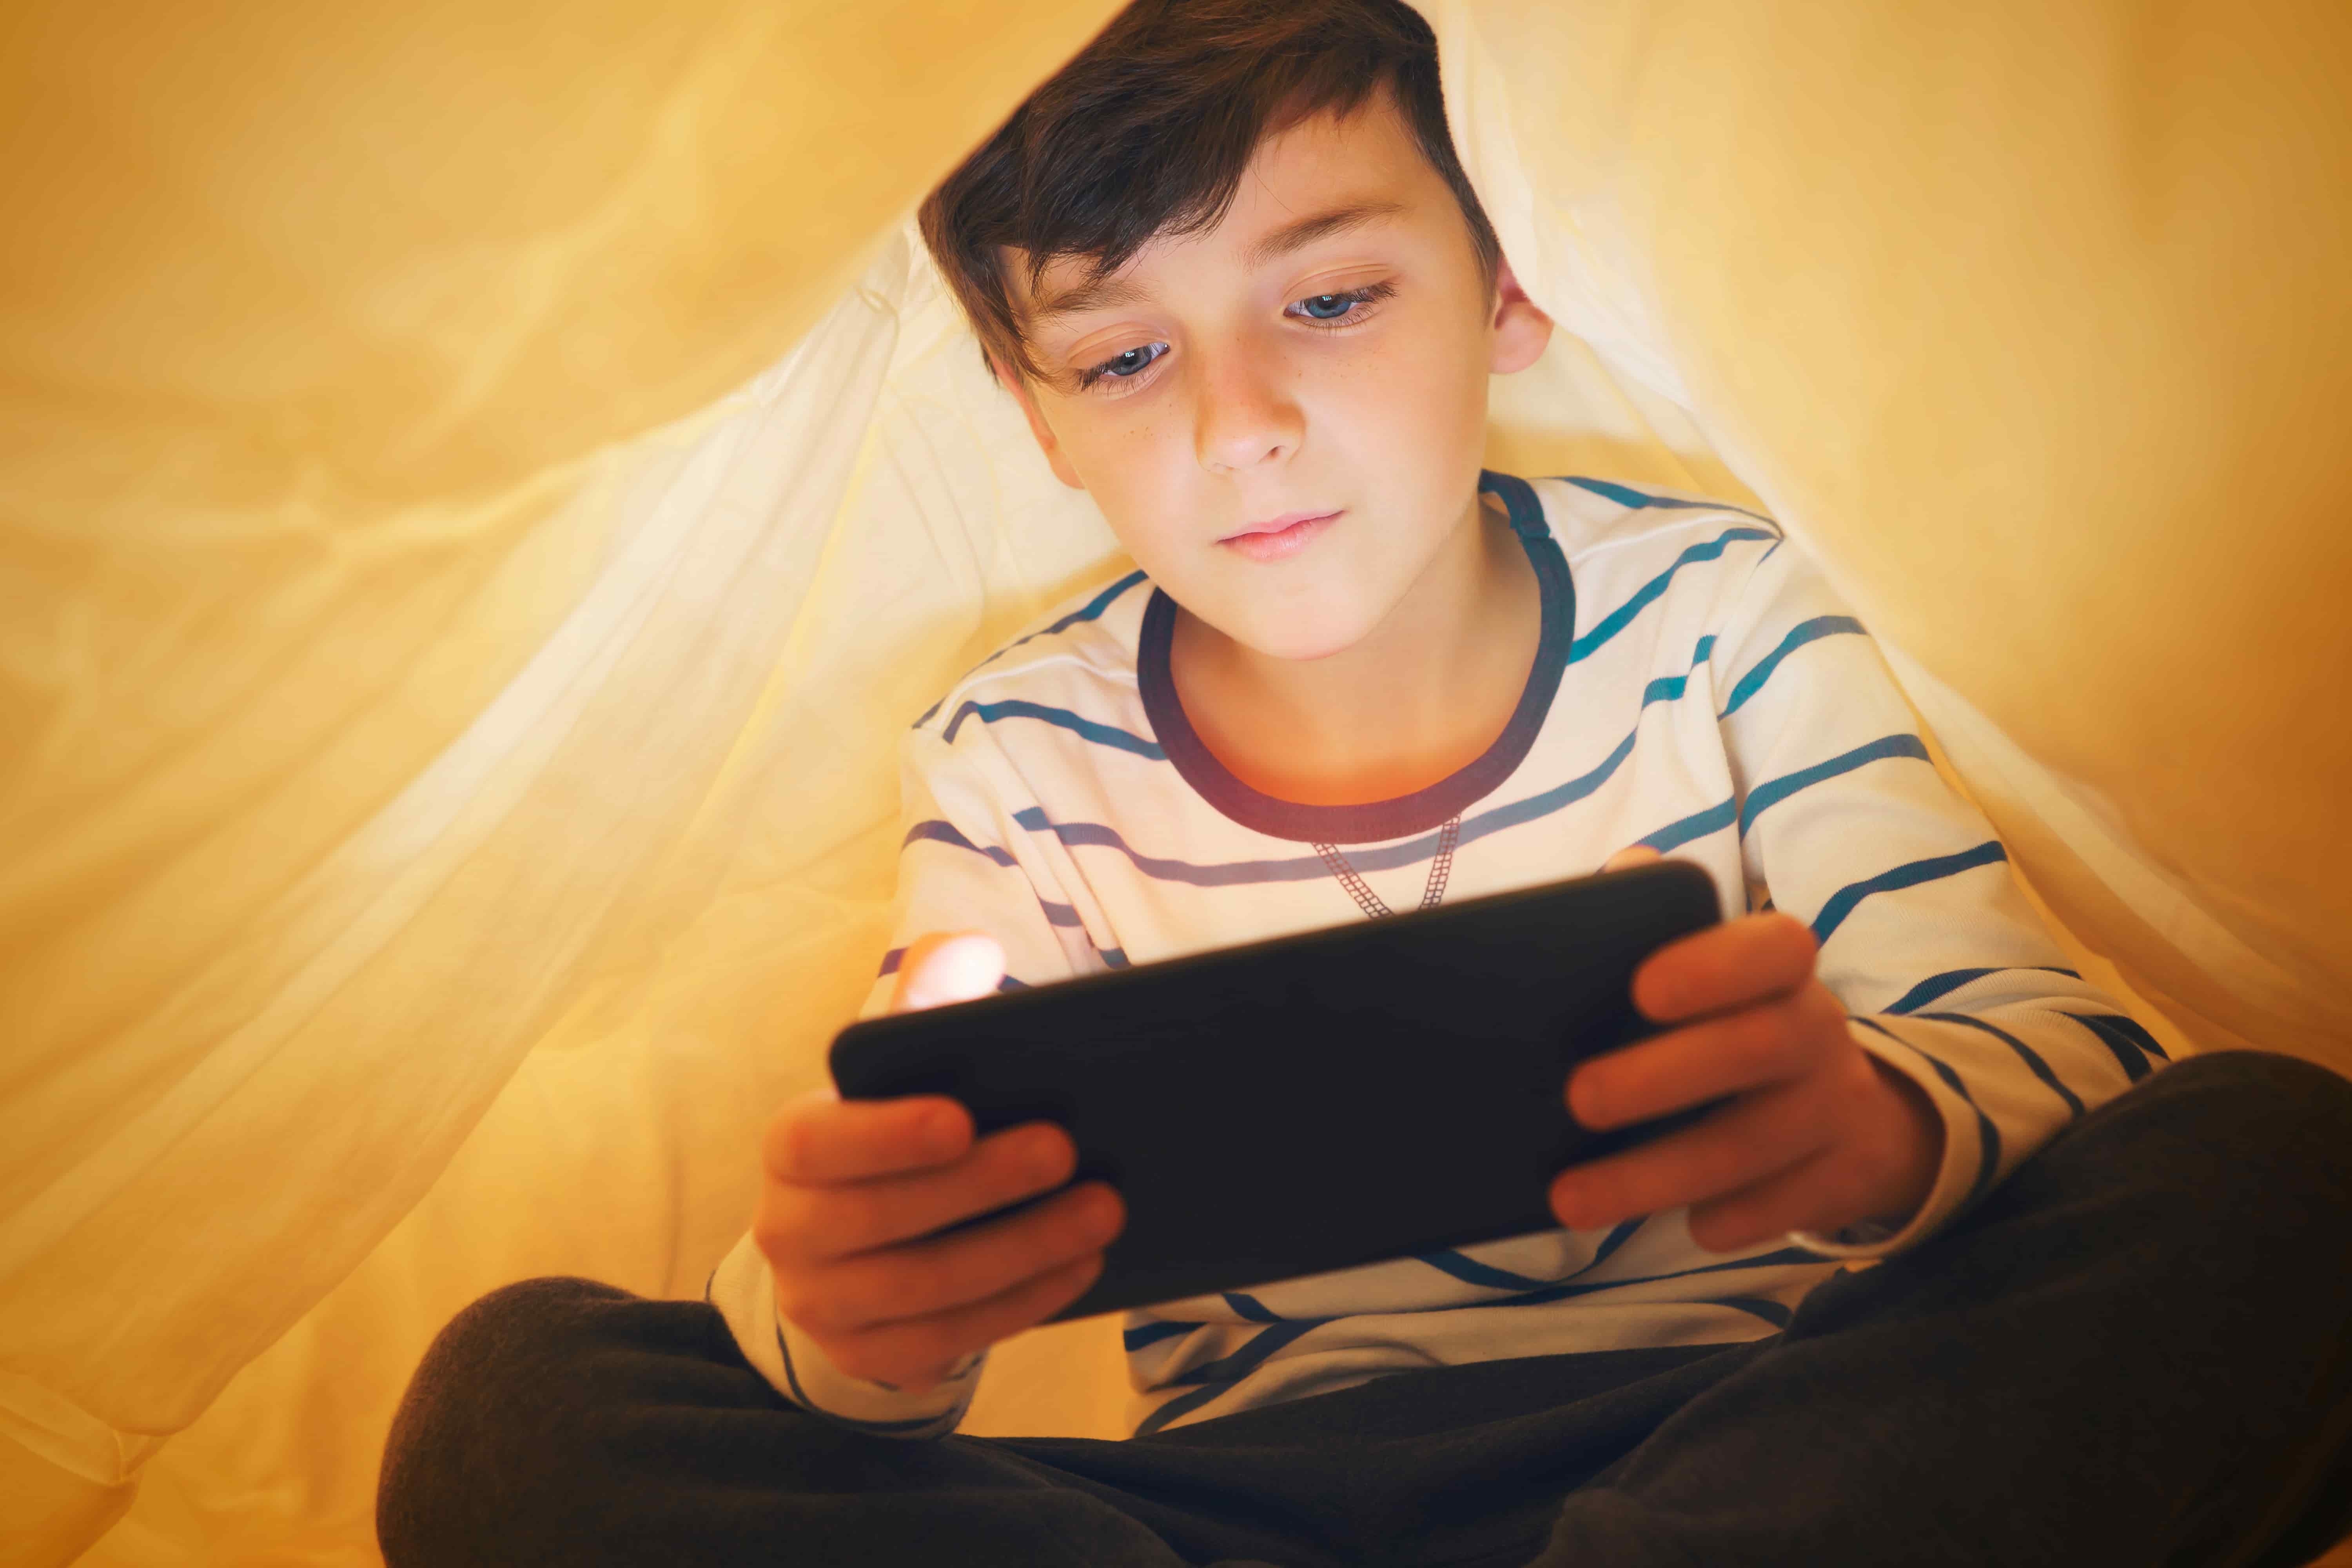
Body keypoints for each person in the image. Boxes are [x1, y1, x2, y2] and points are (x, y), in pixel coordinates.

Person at [376, 2, 2352, 1563]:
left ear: (1504, 291)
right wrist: (860, 1321)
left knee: (2285, 1167)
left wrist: (1879, 1138)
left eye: (1328, 298)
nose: (1242, 426)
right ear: (1035, 417)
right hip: (1244, 1511)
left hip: (1764, 1459)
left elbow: (2059, 1045)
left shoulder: (1724, 613)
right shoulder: (1015, 753)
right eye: (1124, 357)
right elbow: (901, 1265)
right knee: (517, 1409)